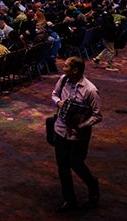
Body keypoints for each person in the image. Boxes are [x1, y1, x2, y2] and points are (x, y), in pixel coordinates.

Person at [50, 56, 102, 213]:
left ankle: (92, 184)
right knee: (62, 166)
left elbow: (97, 115)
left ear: (75, 70)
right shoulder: (63, 79)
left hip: (79, 135)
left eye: (66, 66)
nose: (62, 67)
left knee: (76, 164)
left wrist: (81, 126)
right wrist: (58, 102)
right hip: (60, 129)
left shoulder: (90, 90)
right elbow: (54, 94)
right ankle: (69, 200)